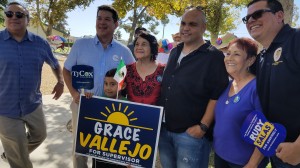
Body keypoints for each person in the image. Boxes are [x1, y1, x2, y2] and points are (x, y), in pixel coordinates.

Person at [63, 5, 135, 168]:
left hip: (112, 109)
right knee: (79, 148)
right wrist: (74, 94)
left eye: (107, 19)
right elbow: (66, 70)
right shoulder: (81, 45)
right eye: (99, 18)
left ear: (116, 24)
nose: (102, 22)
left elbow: (132, 78)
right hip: (83, 104)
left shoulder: (124, 51)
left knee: (108, 150)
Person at [158, 6, 229, 168]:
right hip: (164, 130)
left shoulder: (213, 56)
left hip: (191, 135)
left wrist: (203, 127)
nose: (185, 28)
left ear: (203, 28)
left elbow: (217, 95)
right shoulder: (175, 52)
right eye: (183, 23)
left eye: (192, 24)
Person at [0, 2, 64, 168]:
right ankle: (16, 154)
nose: (14, 17)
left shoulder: (40, 43)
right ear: (5, 17)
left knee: (39, 136)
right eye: (9, 14)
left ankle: (12, 152)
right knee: (21, 161)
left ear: (28, 20)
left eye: (19, 15)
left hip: (32, 104)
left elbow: (55, 63)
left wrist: (60, 81)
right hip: (5, 108)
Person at [244, 0, 300, 167]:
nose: (250, 21)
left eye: (257, 14)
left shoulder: (297, 40)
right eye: (246, 19)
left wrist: (298, 147)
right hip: (276, 152)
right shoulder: (262, 56)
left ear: (279, 15)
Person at [213, 37, 268, 168]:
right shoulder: (229, 84)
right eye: (228, 53)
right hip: (220, 156)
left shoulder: (257, 88)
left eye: (236, 54)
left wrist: (253, 164)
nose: (229, 58)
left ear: (251, 60)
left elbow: (267, 129)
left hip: (244, 163)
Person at [90, 68, 127, 168]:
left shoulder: (129, 105)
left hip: (120, 153)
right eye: (105, 83)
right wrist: (88, 100)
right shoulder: (99, 101)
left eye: (112, 84)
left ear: (122, 86)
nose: (108, 88)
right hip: (100, 151)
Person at [125, 31, 164, 105]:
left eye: (144, 44)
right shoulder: (125, 69)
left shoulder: (164, 70)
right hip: (129, 115)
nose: (139, 47)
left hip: (155, 115)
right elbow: (116, 92)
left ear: (152, 48)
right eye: (137, 44)